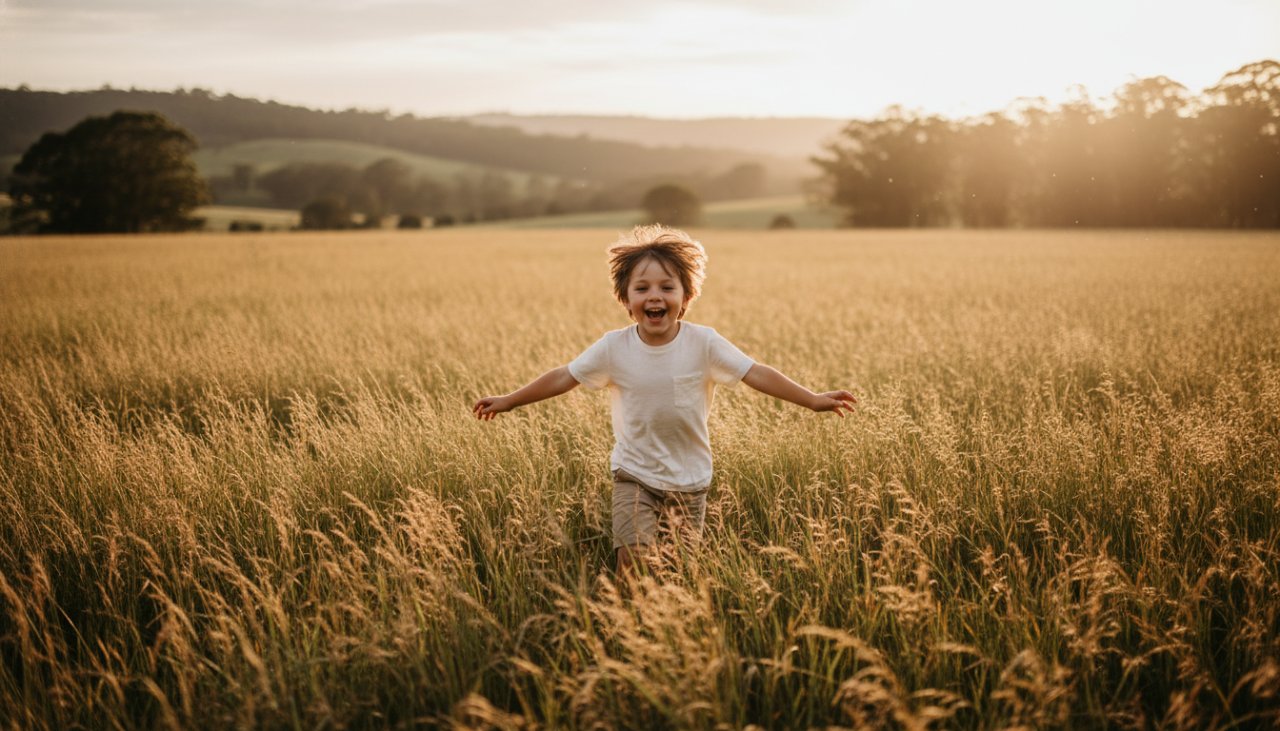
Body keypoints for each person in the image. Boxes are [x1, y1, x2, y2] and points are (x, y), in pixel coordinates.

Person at [473, 225, 856, 577]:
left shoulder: (704, 343)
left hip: (690, 482)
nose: (654, 296)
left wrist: (812, 399)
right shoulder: (613, 347)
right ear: (625, 299)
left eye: (666, 287)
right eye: (642, 289)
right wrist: (510, 400)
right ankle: (625, 628)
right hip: (634, 475)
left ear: (686, 297)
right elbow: (564, 376)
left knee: (678, 572)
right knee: (633, 562)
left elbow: (755, 372)